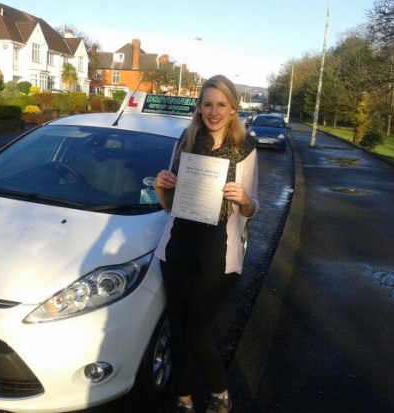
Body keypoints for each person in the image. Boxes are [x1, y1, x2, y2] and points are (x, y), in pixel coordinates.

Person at [153, 74, 259, 413]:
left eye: (221, 105)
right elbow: (172, 206)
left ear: (232, 109)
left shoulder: (245, 147)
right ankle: (183, 397)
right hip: (178, 247)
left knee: (198, 333)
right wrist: (161, 188)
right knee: (179, 327)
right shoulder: (187, 139)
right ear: (199, 107)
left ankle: (219, 393)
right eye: (208, 104)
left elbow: (252, 209)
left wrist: (244, 199)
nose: (214, 112)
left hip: (218, 252)